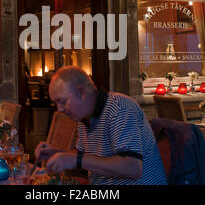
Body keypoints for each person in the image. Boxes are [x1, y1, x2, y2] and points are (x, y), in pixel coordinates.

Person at [35, 66, 167, 185]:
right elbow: (87, 158)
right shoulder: (84, 118)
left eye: (63, 101)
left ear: (81, 92)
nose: (59, 109)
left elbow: (132, 167)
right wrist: (56, 154)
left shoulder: (119, 107)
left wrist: (75, 159)